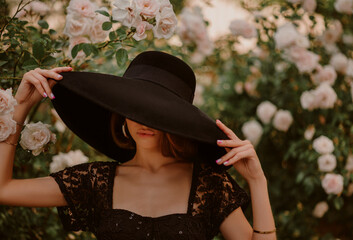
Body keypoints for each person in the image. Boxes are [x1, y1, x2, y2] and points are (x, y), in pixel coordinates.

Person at [0, 51, 276, 240]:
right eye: (136, 108)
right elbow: (4, 189)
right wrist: (21, 106)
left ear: (178, 121)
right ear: (121, 111)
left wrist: (258, 181)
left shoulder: (210, 186)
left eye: (158, 113)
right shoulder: (95, 181)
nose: (145, 122)